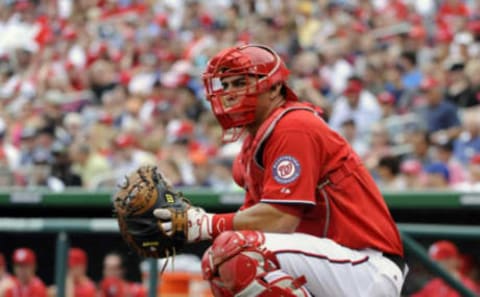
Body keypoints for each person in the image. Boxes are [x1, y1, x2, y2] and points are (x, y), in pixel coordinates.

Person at [155, 44, 406, 296]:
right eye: (226, 85)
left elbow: (281, 219)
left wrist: (206, 223)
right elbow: (258, 224)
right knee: (217, 262)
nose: (230, 93)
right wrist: (185, 221)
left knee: (237, 251)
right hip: (333, 263)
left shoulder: (293, 126)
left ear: (275, 87)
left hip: (365, 264)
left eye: (240, 82)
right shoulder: (254, 143)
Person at [412, 240, 479, 297]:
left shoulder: (468, 287)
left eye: (438, 262)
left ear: (451, 261)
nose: (433, 266)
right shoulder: (434, 284)